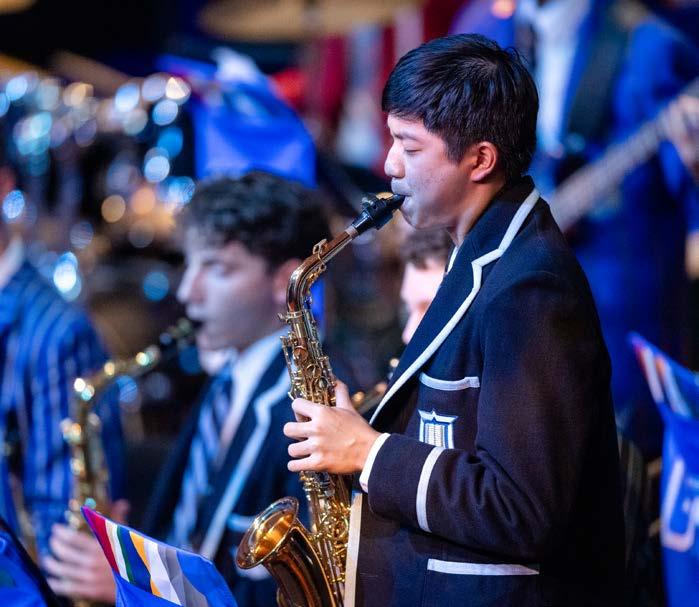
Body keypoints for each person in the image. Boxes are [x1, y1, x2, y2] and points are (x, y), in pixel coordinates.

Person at [284, 34, 625, 606]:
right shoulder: (483, 254)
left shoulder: (531, 289)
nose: (389, 166)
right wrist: (361, 426)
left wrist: (368, 452)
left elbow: (522, 509)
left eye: (409, 147)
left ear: (480, 160)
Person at [46, 171, 329, 607]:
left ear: (286, 281)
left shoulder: (309, 410)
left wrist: (136, 585)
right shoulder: (226, 381)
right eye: (190, 264)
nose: (187, 291)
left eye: (217, 268)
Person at [452, 0, 699, 459]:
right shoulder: (483, 28)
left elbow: (686, 185)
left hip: (617, 310)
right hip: (513, 304)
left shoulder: (651, 48)